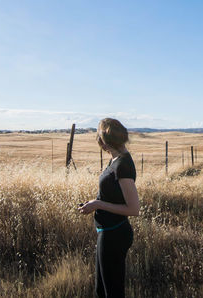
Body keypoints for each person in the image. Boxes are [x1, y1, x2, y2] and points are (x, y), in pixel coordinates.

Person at [78, 118, 140, 298]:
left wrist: (98, 204)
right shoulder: (116, 159)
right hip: (107, 232)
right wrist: (95, 201)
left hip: (114, 234)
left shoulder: (123, 166)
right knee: (102, 290)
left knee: (112, 292)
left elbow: (133, 209)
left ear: (107, 141)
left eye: (101, 140)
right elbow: (113, 193)